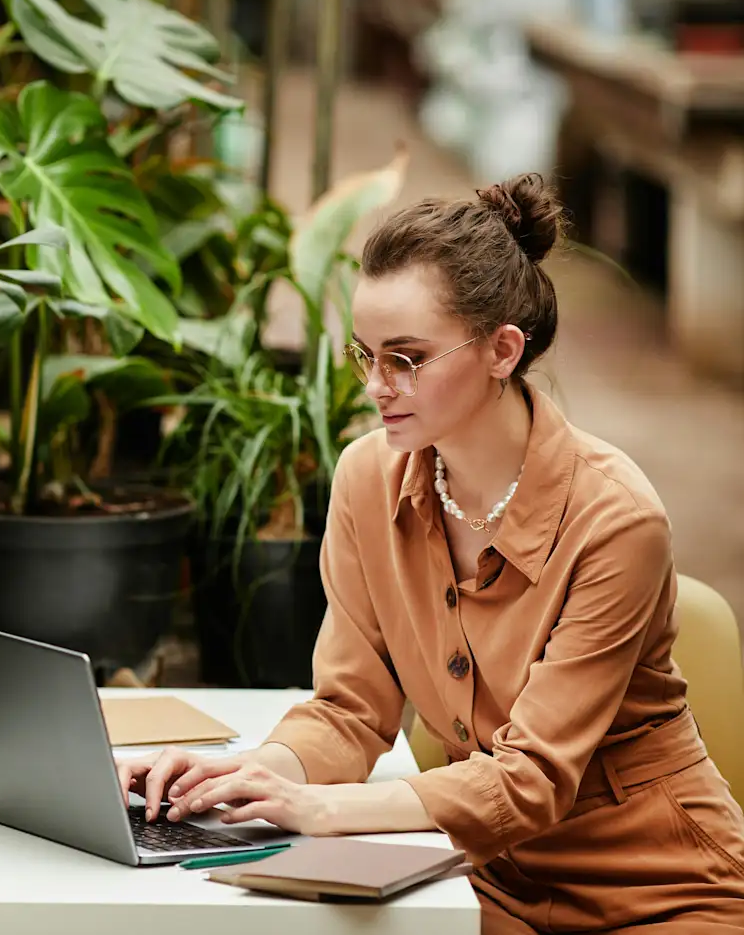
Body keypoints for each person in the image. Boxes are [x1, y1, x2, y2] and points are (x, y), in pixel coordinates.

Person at [118, 175, 744, 933]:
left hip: (660, 890)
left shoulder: (616, 519)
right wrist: (246, 774)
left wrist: (323, 809)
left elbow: (532, 780)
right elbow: (350, 709)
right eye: (366, 355)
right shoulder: (366, 478)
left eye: (406, 358)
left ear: (502, 350)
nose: (377, 387)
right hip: (477, 879)